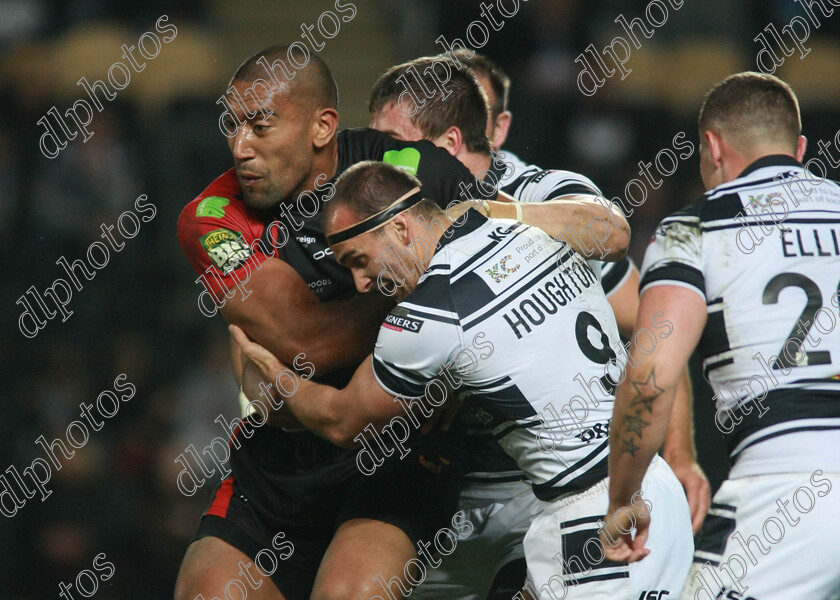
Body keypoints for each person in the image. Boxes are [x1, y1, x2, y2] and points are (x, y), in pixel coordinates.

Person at [233, 159, 694, 600]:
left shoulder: (428, 313)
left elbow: (343, 421)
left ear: (399, 227)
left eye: (358, 259)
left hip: (596, 515)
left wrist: (278, 377)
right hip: (650, 485)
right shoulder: (532, 227)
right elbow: (612, 233)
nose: (361, 284)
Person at [367, 54, 708, 599]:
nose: (377, 164)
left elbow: (649, 311)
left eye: (391, 146)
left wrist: (682, 454)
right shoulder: (391, 226)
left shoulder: (537, 195)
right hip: (438, 496)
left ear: (450, 143)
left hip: (540, 495)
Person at [176, 44, 505, 600]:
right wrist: (423, 306)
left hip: (397, 452)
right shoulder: (211, 217)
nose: (240, 148)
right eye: (232, 126)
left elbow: (504, 267)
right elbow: (303, 337)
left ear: (323, 126)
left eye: (261, 126)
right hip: (278, 471)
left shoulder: (409, 168)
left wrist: (459, 348)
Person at [601, 72, 840, 600]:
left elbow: (649, 379)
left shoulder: (691, 230)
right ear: (799, 149)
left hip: (789, 484)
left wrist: (623, 499)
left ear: (711, 147)